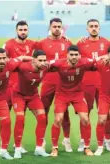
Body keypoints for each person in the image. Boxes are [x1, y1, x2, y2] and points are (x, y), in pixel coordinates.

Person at [49, 45, 104, 157]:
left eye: (76, 55)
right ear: (67, 55)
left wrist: (109, 56)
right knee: (58, 119)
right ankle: (54, 148)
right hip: (62, 95)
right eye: (71, 55)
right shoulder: (59, 63)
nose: (74, 57)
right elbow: (44, 64)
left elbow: (98, 59)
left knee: (85, 119)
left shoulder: (83, 62)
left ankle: (86, 147)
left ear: (79, 56)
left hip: (77, 94)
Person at [77, 19, 110, 152]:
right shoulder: (81, 44)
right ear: (87, 29)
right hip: (86, 83)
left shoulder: (107, 43)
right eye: (91, 26)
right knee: (85, 114)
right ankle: (83, 140)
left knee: (105, 113)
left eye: (96, 26)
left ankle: (107, 140)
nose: (94, 28)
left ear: (99, 28)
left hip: (104, 83)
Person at [36, 18, 73, 152]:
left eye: (59, 26)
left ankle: (66, 139)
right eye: (54, 26)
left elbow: (74, 57)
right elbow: (35, 59)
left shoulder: (67, 42)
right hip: (47, 81)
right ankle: (42, 139)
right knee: (43, 110)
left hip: (63, 82)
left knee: (64, 112)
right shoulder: (42, 43)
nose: (57, 28)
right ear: (50, 27)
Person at [3, 20, 36, 153]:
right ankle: (3, 142)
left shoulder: (33, 44)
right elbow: (2, 59)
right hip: (9, 84)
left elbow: (49, 44)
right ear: (16, 31)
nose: (23, 32)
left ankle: (18, 143)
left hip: (24, 85)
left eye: (25, 30)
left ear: (28, 31)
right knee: (5, 115)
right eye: (21, 30)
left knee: (20, 116)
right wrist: (19, 60)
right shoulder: (9, 44)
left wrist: (63, 36)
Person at [12, 50, 52, 158]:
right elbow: (7, 64)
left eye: (44, 60)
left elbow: (60, 62)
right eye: (40, 60)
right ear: (33, 60)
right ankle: (17, 147)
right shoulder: (23, 67)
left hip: (33, 96)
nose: (43, 62)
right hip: (18, 95)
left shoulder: (46, 67)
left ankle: (39, 148)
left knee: (43, 118)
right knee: (20, 119)